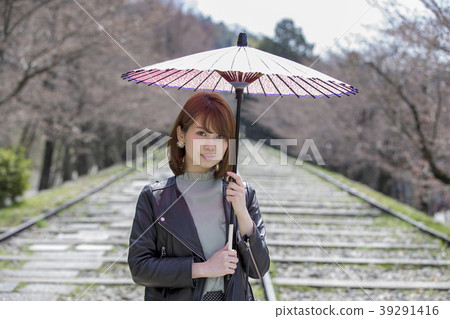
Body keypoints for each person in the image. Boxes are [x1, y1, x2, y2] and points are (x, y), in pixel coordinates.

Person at [128, 92, 270, 301]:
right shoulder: (155, 198)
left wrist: (242, 213)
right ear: (181, 134)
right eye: (202, 133)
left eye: (220, 136)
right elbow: (140, 268)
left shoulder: (243, 194)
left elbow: (259, 269)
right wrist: (203, 269)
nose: (211, 145)